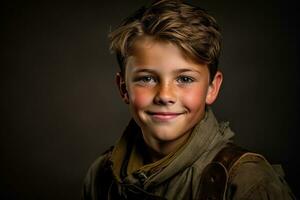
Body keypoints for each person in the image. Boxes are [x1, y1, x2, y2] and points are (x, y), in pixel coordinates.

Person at [81, 0, 296, 199]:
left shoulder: (249, 182)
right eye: (146, 78)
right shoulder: (101, 174)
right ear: (123, 88)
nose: (165, 95)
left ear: (212, 87)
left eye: (184, 78)